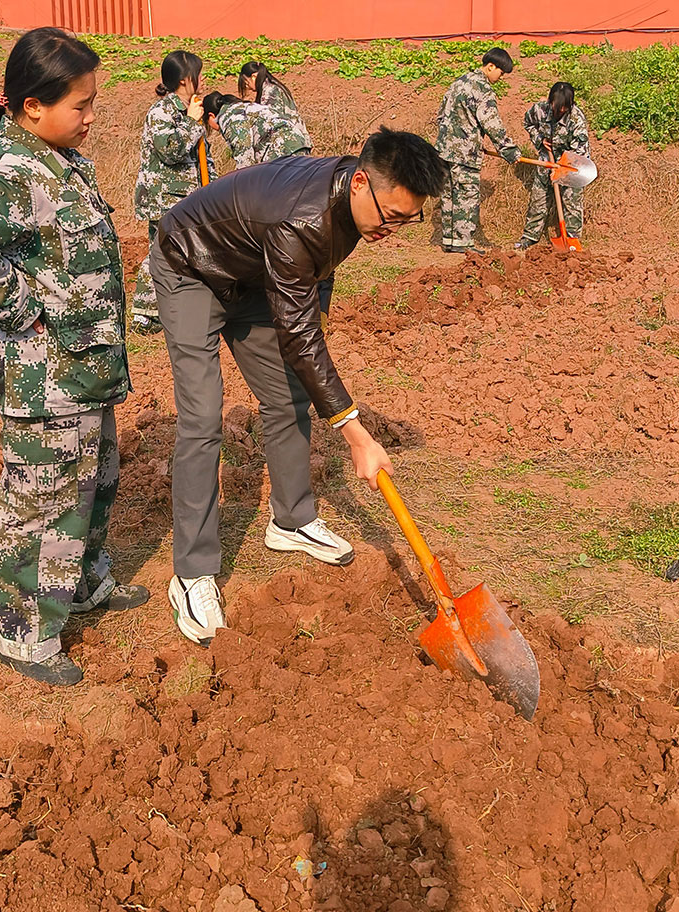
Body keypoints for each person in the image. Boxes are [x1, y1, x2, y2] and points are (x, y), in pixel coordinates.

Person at [150, 127, 446, 645]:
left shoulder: (352, 203)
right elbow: (300, 335)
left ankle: (291, 520)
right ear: (360, 184)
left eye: (408, 219)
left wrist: (321, 311)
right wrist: (359, 438)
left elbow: (321, 267)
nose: (394, 230)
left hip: (253, 272)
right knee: (202, 418)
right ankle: (193, 573)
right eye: (393, 216)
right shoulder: (300, 219)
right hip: (191, 265)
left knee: (287, 396)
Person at [0, 27, 149, 687]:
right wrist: (18, 310)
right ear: (32, 106)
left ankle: (82, 583)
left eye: (92, 102)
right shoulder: (11, 170)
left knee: (94, 483)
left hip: (85, 368)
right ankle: (26, 634)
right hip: (46, 378)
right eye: (81, 105)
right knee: (44, 501)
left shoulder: (60, 160)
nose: (91, 116)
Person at [132, 51, 214, 335]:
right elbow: (171, 151)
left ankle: (177, 307)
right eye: (198, 74)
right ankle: (144, 315)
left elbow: (203, 157)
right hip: (163, 197)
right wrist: (192, 122)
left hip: (189, 197)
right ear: (183, 80)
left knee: (184, 253)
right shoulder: (161, 113)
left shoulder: (190, 110)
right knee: (160, 252)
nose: (203, 79)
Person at [434, 47, 520, 254]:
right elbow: (491, 123)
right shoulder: (482, 89)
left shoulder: (458, 83)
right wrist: (509, 150)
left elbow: (440, 116)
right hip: (465, 154)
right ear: (491, 66)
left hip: (444, 151)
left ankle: (449, 240)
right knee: (466, 196)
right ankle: (463, 243)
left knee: (448, 195)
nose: (501, 77)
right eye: (501, 72)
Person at [517, 81, 590, 249]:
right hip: (546, 160)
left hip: (571, 165)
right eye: (556, 106)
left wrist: (561, 171)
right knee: (538, 198)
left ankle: (571, 239)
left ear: (570, 105)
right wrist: (539, 140)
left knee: (571, 200)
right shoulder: (540, 109)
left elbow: (580, 153)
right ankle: (530, 236)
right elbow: (528, 123)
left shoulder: (576, 120)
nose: (559, 111)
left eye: (563, 108)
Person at [201, 90, 311, 170]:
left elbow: (243, 151)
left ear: (211, 115)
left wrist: (239, 187)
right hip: (297, 143)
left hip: (283, 149)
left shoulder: (228, 116)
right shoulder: (242, 107)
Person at [238, 61, 312, 151]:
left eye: (247, 82)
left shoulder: (270, 92)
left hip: (291, 144)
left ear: (254, 76)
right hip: (293, 142)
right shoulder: (271, 88)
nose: (248, 87)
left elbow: (269, 122)